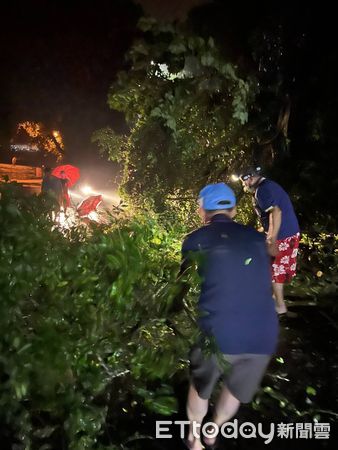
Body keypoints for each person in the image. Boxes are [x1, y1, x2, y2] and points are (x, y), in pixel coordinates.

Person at [180, 183, 278, 450]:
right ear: (234, 209)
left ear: (202, 211)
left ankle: (195, 438)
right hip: (264, 333)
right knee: (235, 390)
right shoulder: (257, 239)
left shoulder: (194, 240)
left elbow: (183, 284)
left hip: (219, 331)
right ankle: (213, 432)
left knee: (200, 385)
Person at [239, 167, 300, 315]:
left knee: (275, 272)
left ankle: (280, 307)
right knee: (275, 268)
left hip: (283, 236)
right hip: (290, 232)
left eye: (243, 182)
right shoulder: (269, 185)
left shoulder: (262, 191)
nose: (244, 186)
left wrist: (272, 240)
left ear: (250, 178)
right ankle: (274, 300)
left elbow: (276, 213)